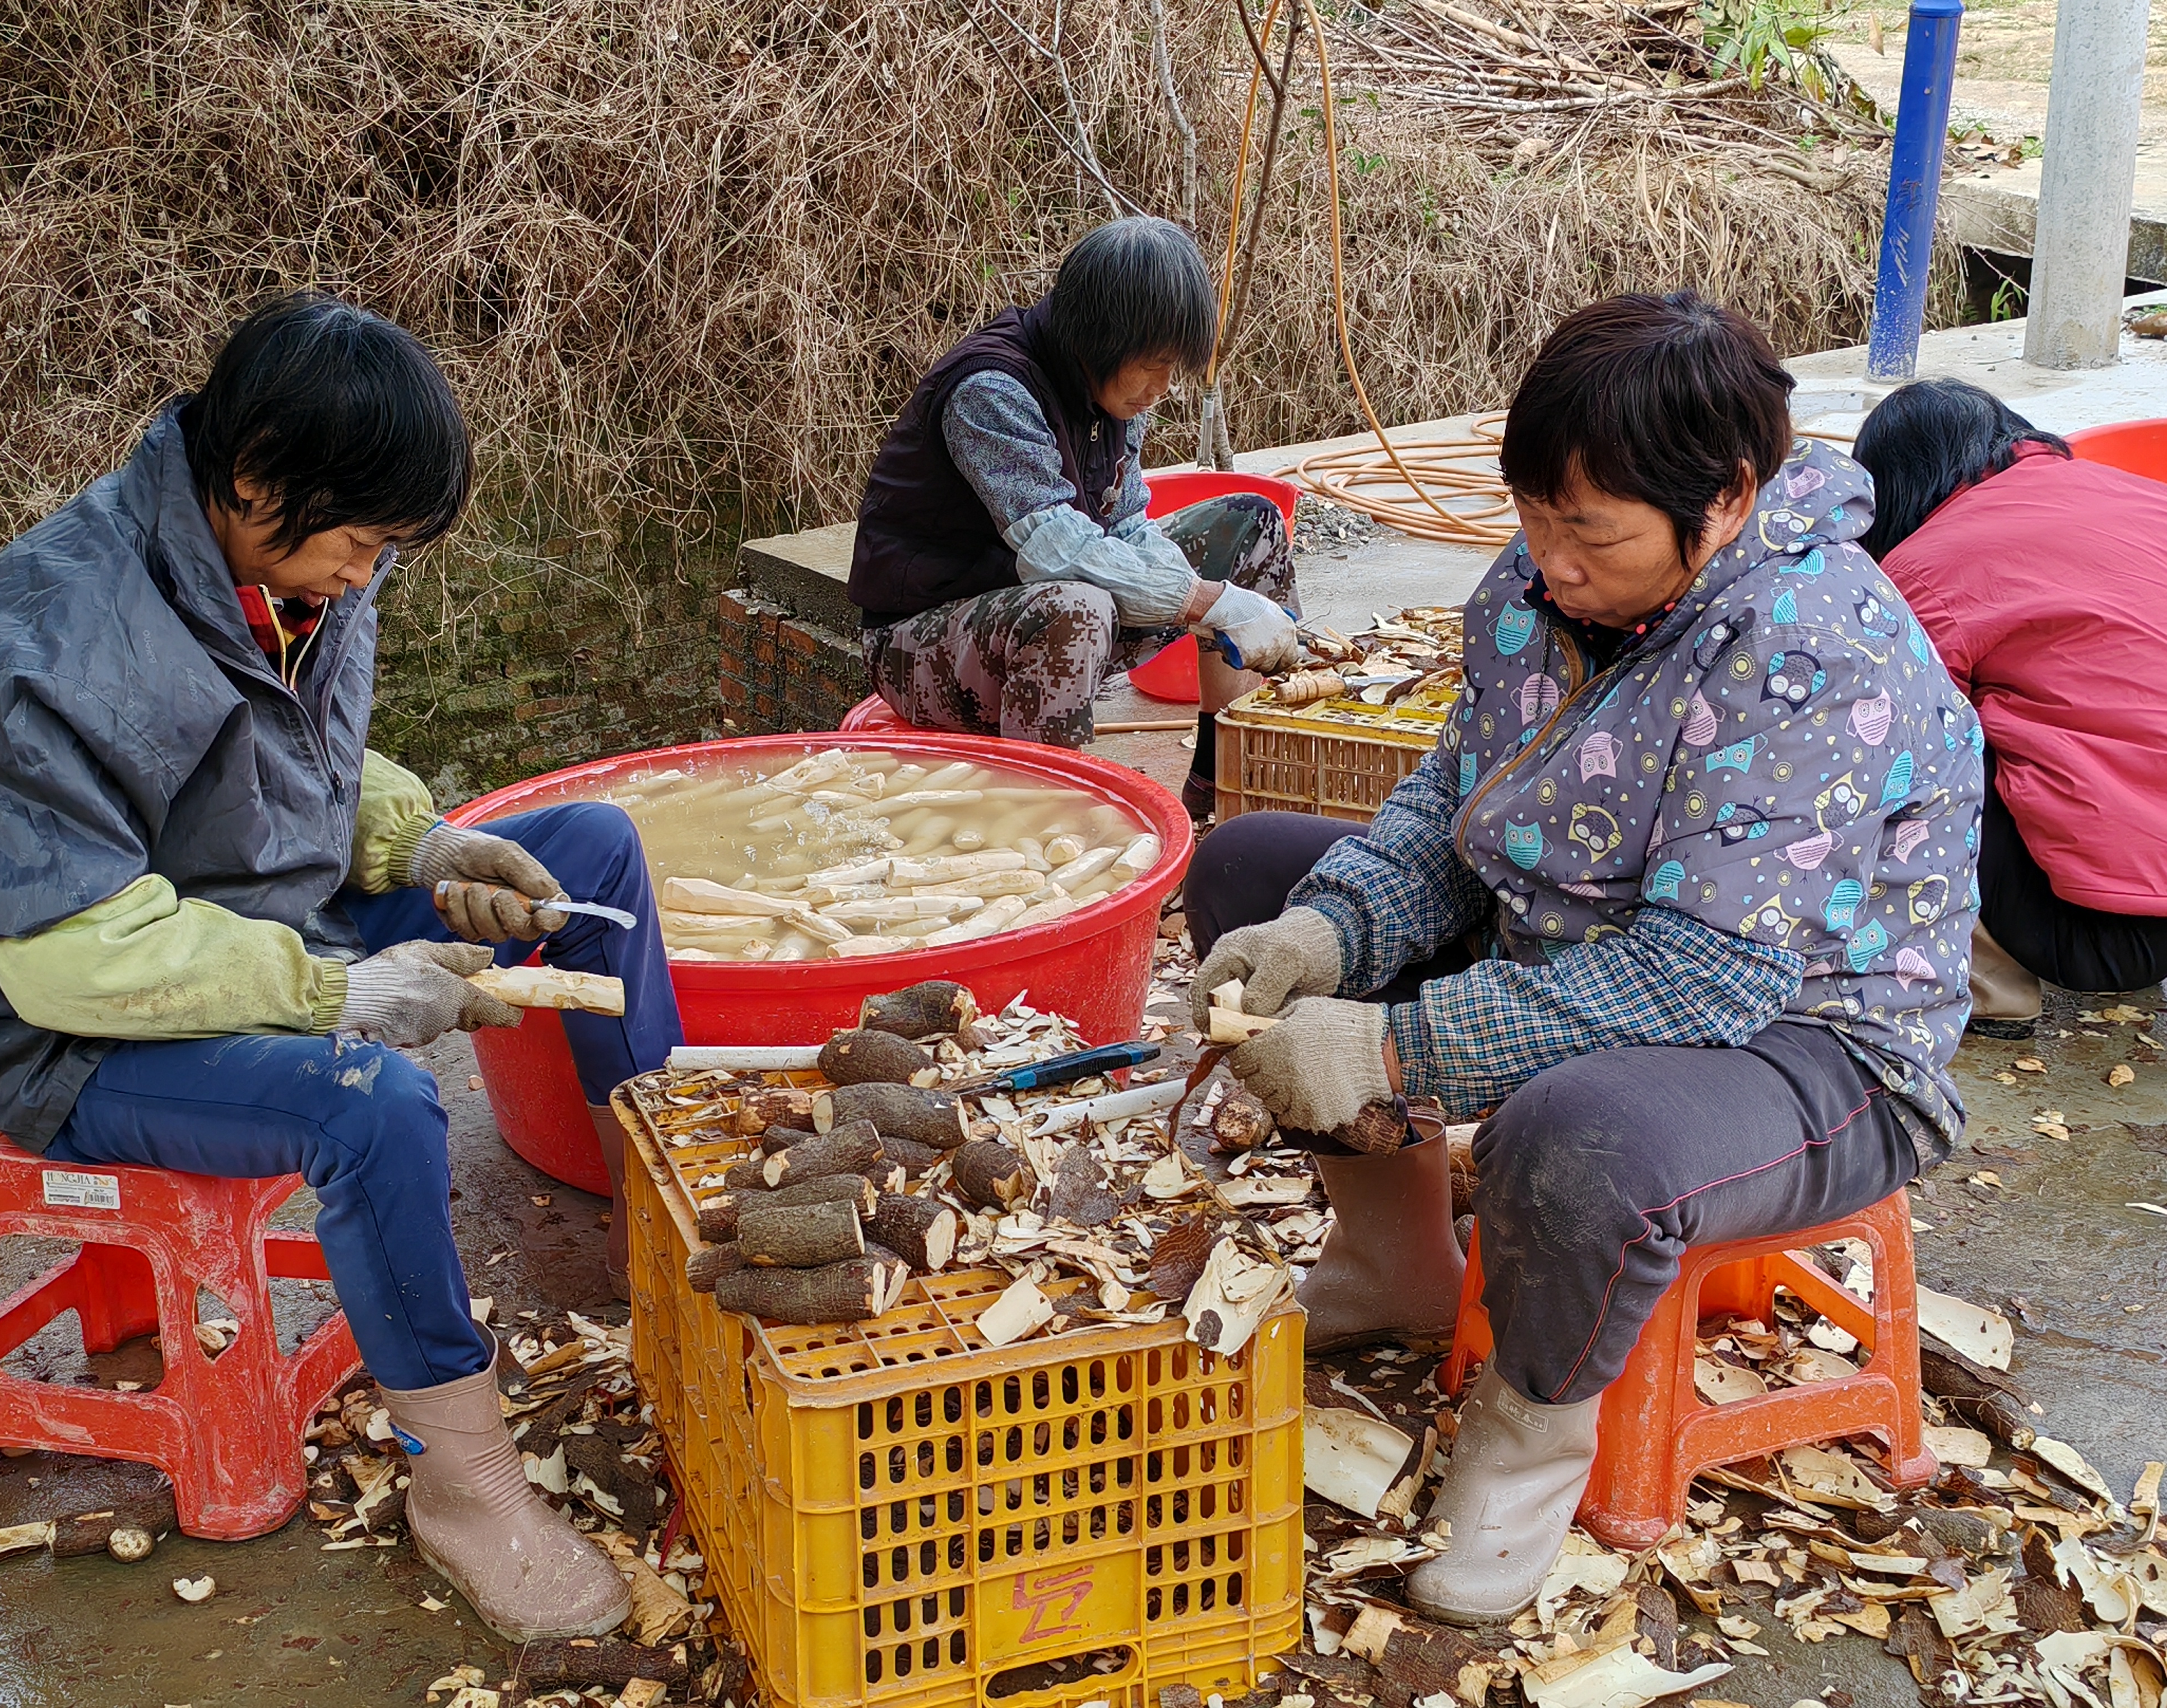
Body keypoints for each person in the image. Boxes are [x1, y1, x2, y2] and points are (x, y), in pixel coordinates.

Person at [0, 293, 685, 1641]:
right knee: (373, 1101)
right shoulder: (24, 655)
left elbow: (296, 761)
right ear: (256, 478)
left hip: (260, 924)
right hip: (77, 1034)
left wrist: (421, 844)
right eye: (360, 543)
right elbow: (70, 961)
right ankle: (467, 1486)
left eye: (388, 548)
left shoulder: (292, 565)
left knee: (590, 854)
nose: (369, 576)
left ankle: (657, 1246)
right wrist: (343, 994)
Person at [1182, 293, 1982, 1624]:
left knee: (1573, 1134)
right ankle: (1393, 1259)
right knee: (1250, 872)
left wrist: (1390, 1046)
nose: (1550, 562)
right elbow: (1461, 804)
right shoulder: (1540, 582)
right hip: (1583, 940)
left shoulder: (1810, 648)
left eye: (1591, 534)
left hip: (1816, 1040)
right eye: (1533, 516)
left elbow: (1701, 976)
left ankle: (1528, 1444)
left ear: (1723, 500)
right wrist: (1328, 931)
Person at [847, 215, 1302, 817]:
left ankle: (1223, 781)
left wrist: (1223, 601)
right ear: (1103, 338)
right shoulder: (991, 390)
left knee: (1251, 525)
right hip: (923, 647)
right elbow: (1057, 552)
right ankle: (1045, 825)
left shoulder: (1116, 394)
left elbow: (1129, 525)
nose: (1164, 386)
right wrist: (1204, 602)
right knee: (1077, 605)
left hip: (1051, 617)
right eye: (1154, 363)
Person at [1853, 378, 2167, 1036]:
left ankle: (1987, 984)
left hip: (2099, 936)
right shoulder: (2142, 494)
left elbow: (1870, 746)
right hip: (2140, 892)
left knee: (1882, 738)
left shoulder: (1923, 567)